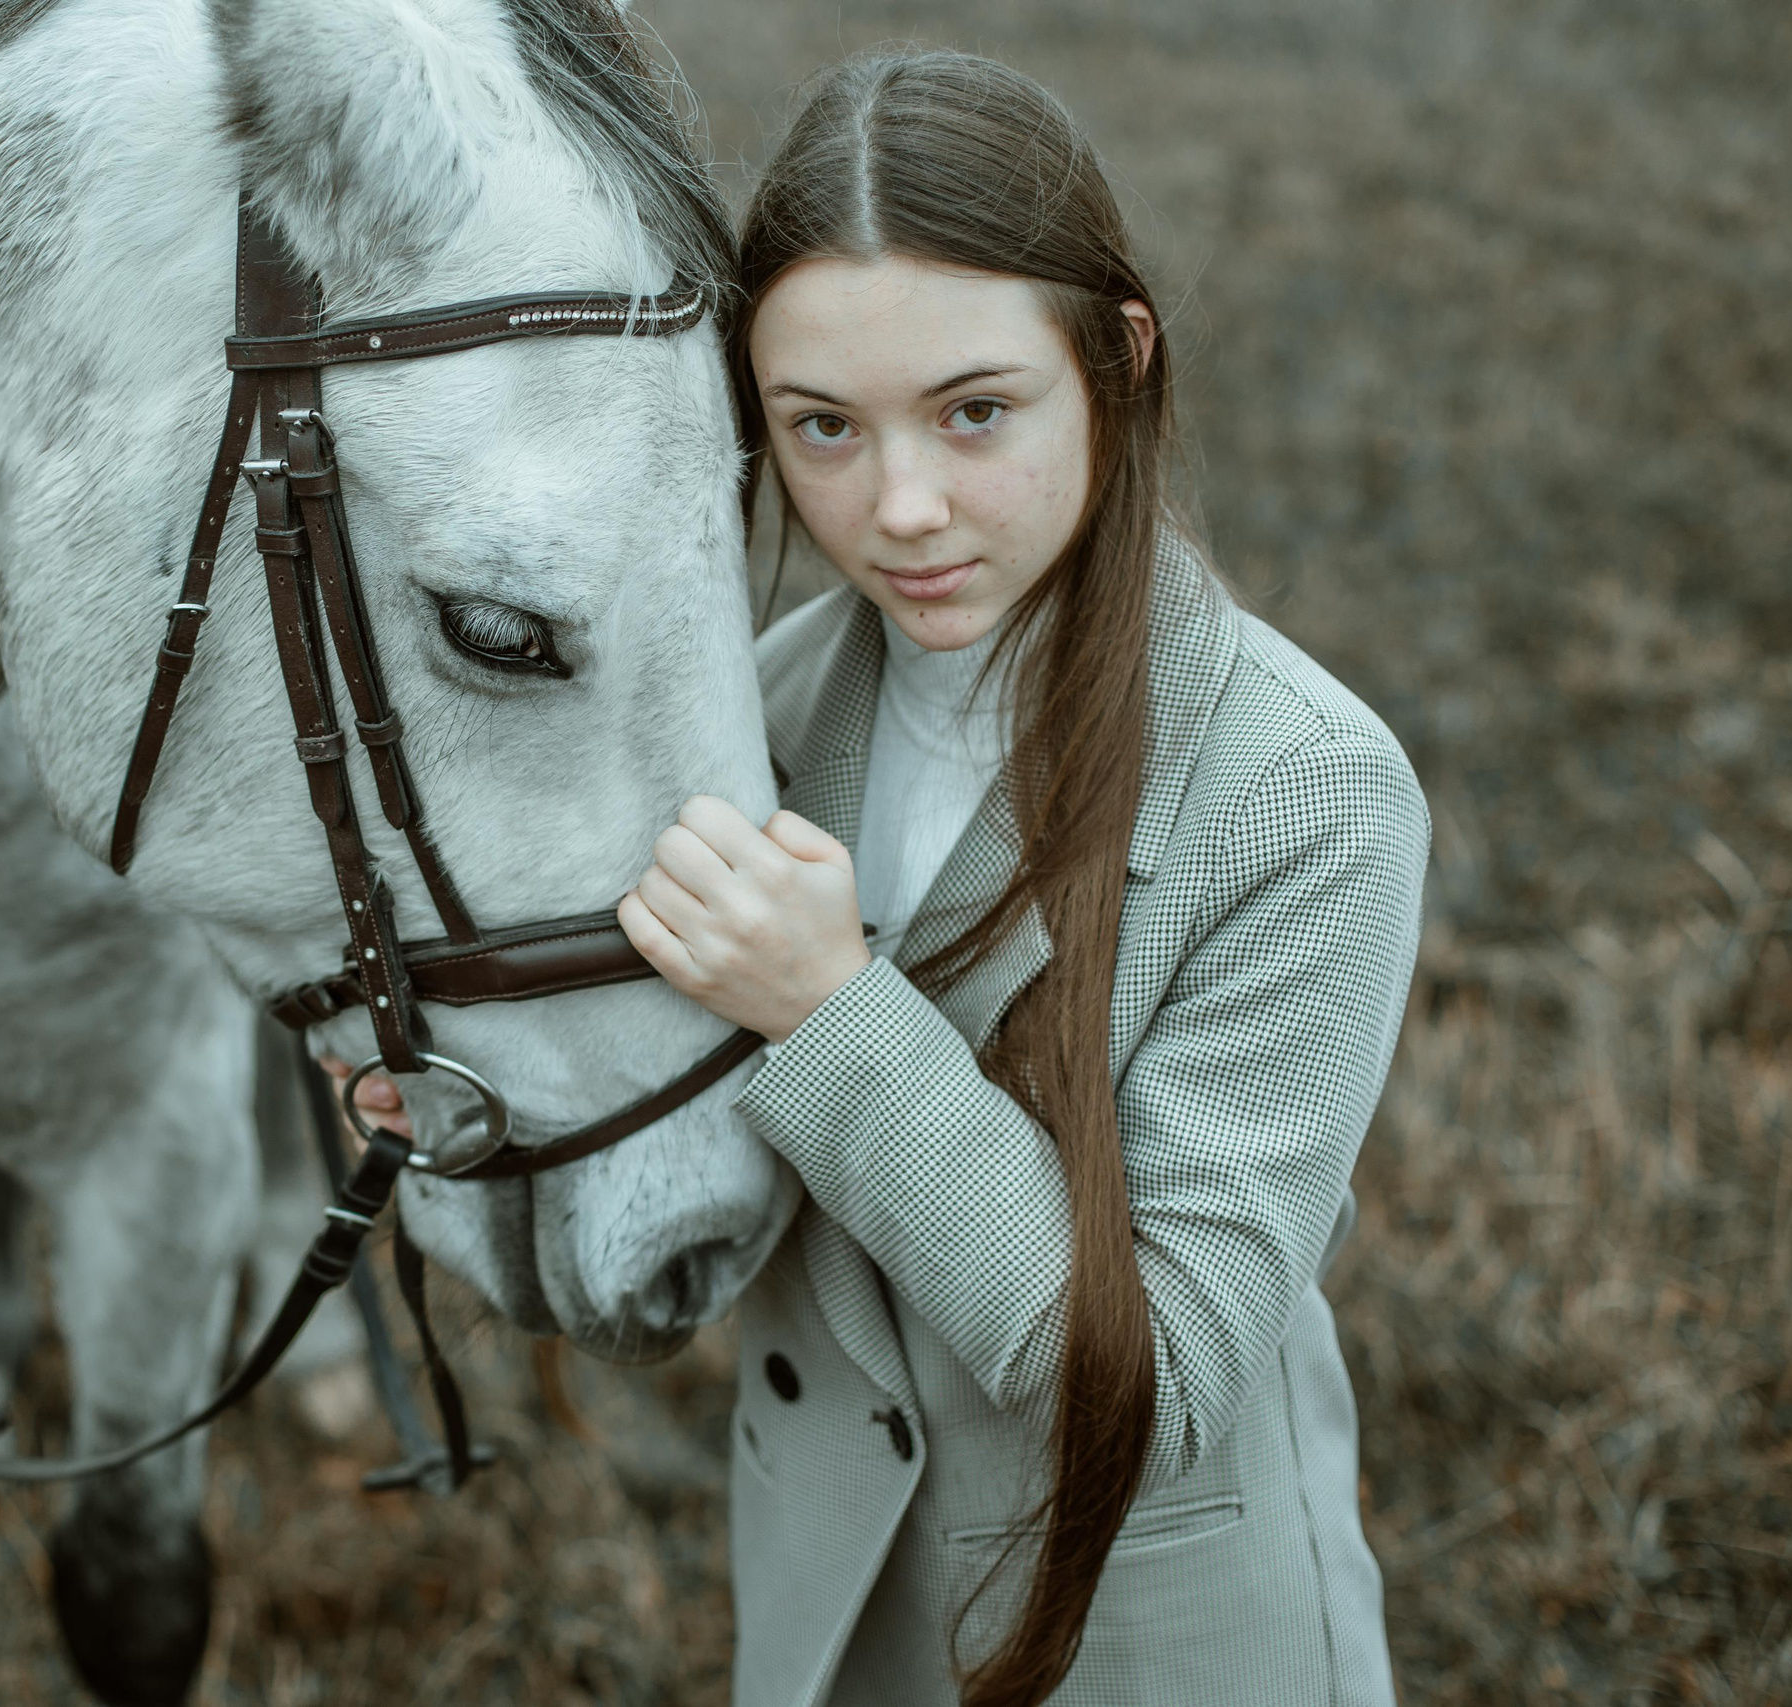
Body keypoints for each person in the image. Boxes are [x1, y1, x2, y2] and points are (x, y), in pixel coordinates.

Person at [344, 49, 1425, 1707]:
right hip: (831, 1617)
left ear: (1118, 363)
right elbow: (683, 1173)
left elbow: (1158, 1383)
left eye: (975, 411)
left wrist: (830, 1008)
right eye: (822, 430)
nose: (900, 508)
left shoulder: (1304, 793)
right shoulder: (753, 719)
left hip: (1147, 1644)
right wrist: (479, 1111)